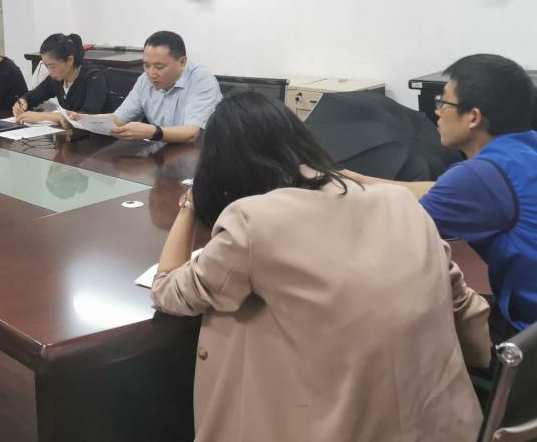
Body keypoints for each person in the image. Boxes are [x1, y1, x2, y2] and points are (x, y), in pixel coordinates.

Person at [152, 92, 491, 442]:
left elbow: (168, 290)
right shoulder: (402, 203)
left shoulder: (254, 221)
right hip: (449, 427)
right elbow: (462, 304)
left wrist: (190, 204)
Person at [348, 54, 537, 341]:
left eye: (443, 103)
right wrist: (355, 178)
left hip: (527, 334)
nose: (437, 112)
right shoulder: (522, 149)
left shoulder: (478, 176)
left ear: (473, 117)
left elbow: (399, 227)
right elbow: (436, 190)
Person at [72, 31, 221, 144]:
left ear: (182, 62)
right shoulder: (144, 80)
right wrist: (81, 119)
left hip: (201, 156)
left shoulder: (201, 80)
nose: (151, 73)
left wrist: (153, 132)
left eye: (159, 67)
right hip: (163, 153)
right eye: (146, 65)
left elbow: (192, 133)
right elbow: (118, 118)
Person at [12, 33, 109, 127]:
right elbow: (39, 93)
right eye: (46, 66)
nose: (50, 71)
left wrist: (43, 117)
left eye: (53, 66)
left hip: (97, 135)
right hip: (71, 134)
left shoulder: (94, 78)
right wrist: (24, 101)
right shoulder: (58, 78)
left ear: (69, 60)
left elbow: (87, 117)